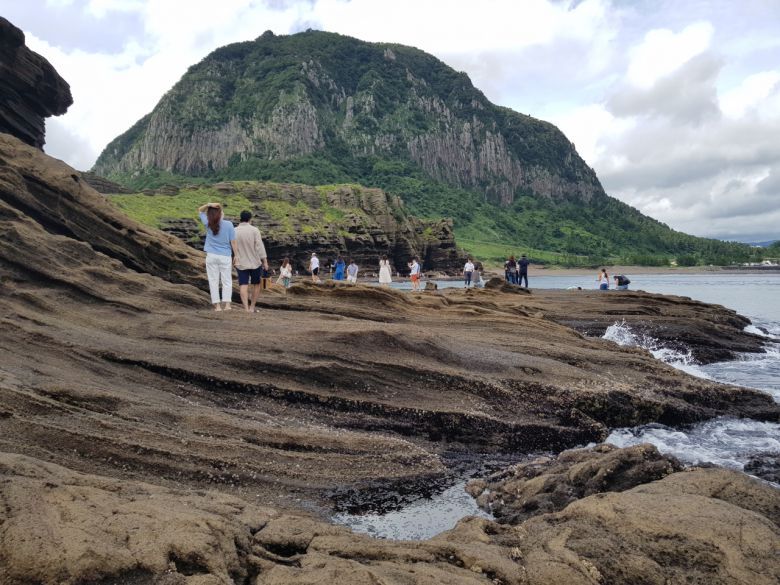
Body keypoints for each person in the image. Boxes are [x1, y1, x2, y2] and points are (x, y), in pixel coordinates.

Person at [198, 202, 237, 311]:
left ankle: (217, 306)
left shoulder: (208, 223)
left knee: (213, 281)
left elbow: (200, 210)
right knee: (227, 281)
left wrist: (208, 204)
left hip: (211, 256)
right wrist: (236, 256)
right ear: (220, 214)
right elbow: (233, 242)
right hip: (225, 256)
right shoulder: (229, 224)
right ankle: (227, 305)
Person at [233, 210, 269, 313]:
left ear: (240, 218)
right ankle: (252, 307)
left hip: (241, 263)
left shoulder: (234, 230)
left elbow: (232, 245)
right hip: (255, 262)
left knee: (243, 285)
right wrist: (265, 261)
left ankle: (246, 308)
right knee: (256, 284)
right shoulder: (254, 230)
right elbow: (260, 247)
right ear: (250, 219)